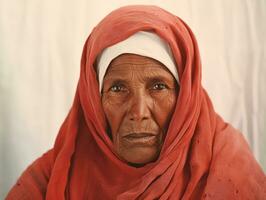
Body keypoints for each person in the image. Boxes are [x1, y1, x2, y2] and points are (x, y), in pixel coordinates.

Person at [6, 5, 265, 199]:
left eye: (159, 87)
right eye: (118, 88)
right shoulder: (51, 179)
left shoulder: (229, 168)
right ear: (94, 100)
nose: (139, 112)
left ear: (185, 96)